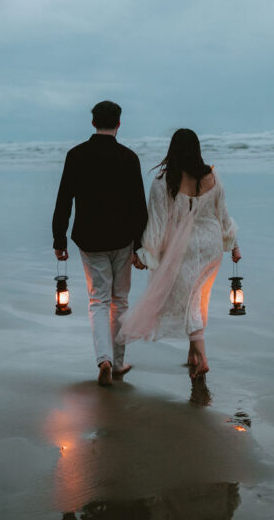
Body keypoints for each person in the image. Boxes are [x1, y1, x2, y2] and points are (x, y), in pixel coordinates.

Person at [119, 128, 241, 377]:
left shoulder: (164, 181)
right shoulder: (212, 176)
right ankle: (193, 352)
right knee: (198, 298)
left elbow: (157, 224)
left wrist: (146, 254)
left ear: (172, 150)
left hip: (183, 248)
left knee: (191, 301)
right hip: (211, 245)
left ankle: (202, 356)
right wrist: (234, 245)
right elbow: (223, 215)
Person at [52, 101, 148, 386]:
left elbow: (64, 199)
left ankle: (103, 359)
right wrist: (140, 246)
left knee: (99, 301)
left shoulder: (76, 155)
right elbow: (139, 207)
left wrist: (59, 238)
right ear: (119, 124)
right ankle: (117, 363)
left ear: (93, 123)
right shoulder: (129, 158)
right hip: (122, 239)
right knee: (120, 301)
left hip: (90, 238)